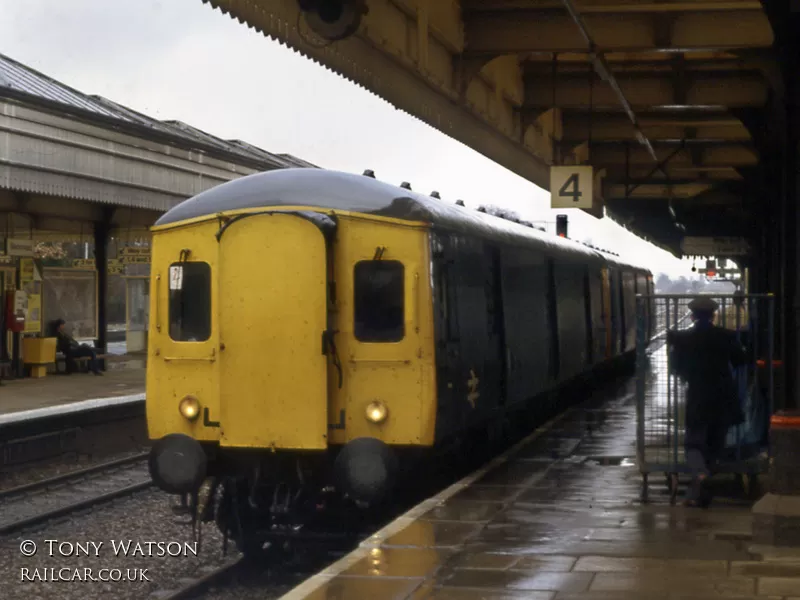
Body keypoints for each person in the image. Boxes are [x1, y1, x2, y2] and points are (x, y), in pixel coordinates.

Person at [667, 296, 746, 507]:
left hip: (698, 396)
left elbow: (675, 368)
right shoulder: (726, 337)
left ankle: (700, 477)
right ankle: (699, 491)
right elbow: (740, 360)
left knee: (693, 443)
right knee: (714, 444)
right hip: (723, 396)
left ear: (692, 315)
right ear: (713, 315)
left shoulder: (682, 339)